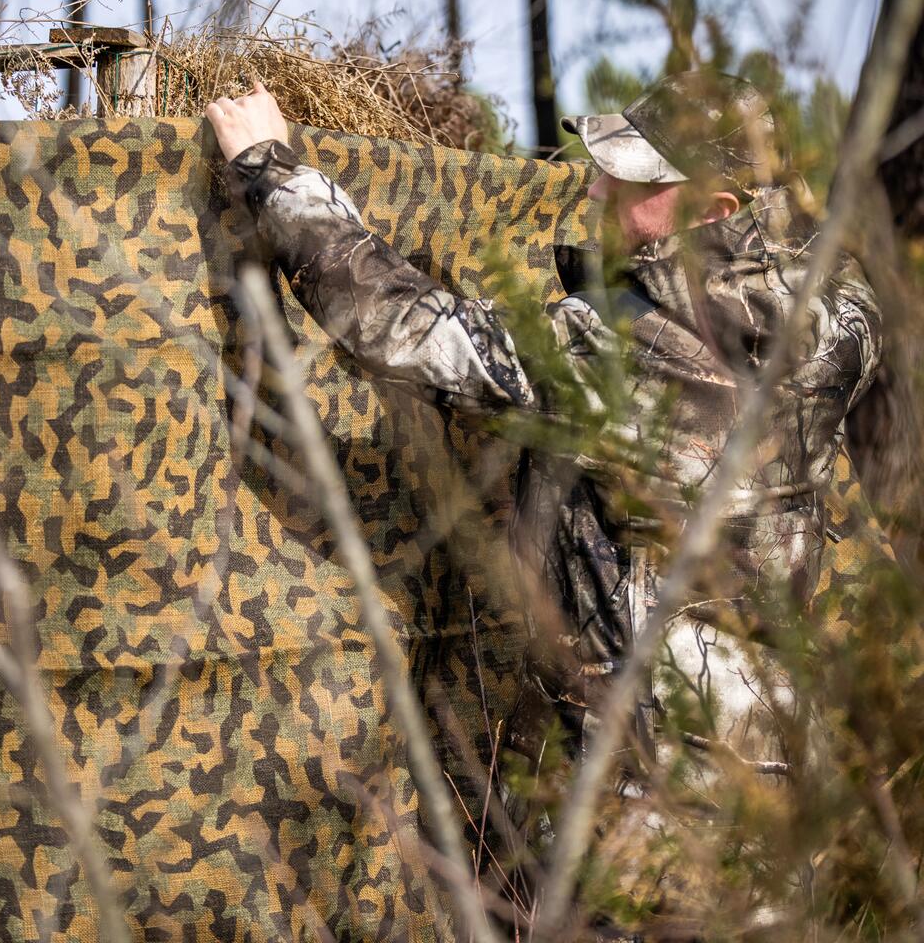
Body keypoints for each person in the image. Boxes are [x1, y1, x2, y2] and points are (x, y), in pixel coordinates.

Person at [205, 71, 881, 799]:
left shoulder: (629, 349)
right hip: (775, 759)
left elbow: (406, 330)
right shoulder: (842, 312)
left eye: (631, 179)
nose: (594, 190)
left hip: (644, 786)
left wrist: (272, 172)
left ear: (713, 207)